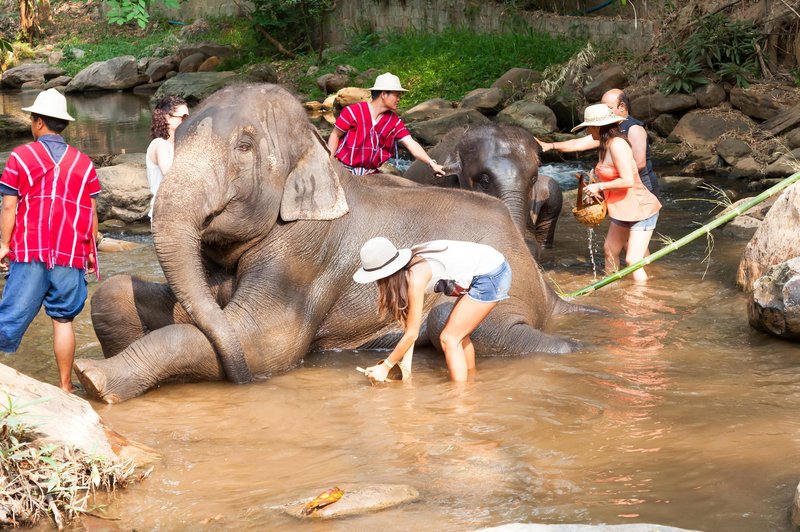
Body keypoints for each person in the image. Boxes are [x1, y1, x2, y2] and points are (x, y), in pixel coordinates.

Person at [0, 88, 101, 393]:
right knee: (63, 319)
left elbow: (8, 206)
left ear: (39, 122)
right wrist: (92, 251)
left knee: (10, 317)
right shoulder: (84, 163)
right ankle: (65, 387)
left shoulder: (21, 156)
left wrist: (4, 245)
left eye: (32, 119)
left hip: (30, 250)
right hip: (70, 254)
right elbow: (92, 210)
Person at [353, 237, 511, 382]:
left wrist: (386, 366)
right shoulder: (408, 266)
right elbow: (410, 329)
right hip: (486, 267)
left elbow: (412, 334)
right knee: (459, 336)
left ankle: (461, 400)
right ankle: (471, 380)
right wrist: (405, 368)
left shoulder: (415, 278)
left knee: (449, 338)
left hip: (491, 273)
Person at [572, 104, 661, 283]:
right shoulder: (605, 145)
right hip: (622, 210)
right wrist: (598, 192)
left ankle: (641, 300)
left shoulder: (618, 145)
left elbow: (627, 180)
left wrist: (600, 187)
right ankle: (612, 290)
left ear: (597, 127)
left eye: (588, 127)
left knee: (633, 260)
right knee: (610, 251)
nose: (587, 131)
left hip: (640, 210)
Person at [537, 88, 660, 197]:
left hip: (643, 188)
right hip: (621, 187)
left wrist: (604, 185)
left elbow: (640, 163)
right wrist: (550, 146)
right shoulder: (608, 131)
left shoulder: (634, 128)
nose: (604, 111)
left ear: (622, 107)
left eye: (609, 108)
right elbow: (578, 144)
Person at [327, 72, 446, 177]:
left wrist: (432, 163)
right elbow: (335, 135)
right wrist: (330, 161)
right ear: (383, 94)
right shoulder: (353, 112)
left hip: (371, 176)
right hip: (345, 172)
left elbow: (411, 144)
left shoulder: (393, 121)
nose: (399, 99)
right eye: (396, 95)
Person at [146, 95, 188, 219]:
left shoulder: (180, 144)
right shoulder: (160, 144)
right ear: (167, 117)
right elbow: (170, 174)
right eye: (183, 117)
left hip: (183, 210)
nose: (187, 120)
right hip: (164, 212)